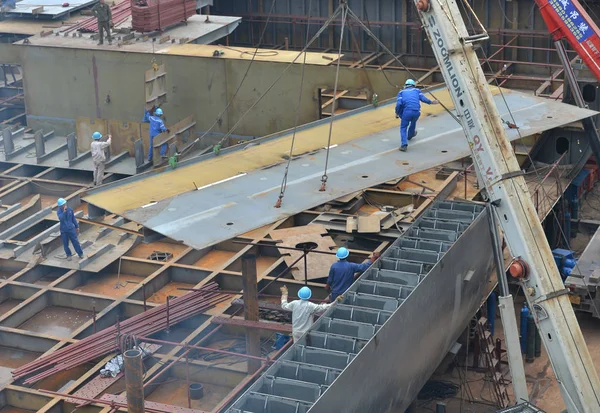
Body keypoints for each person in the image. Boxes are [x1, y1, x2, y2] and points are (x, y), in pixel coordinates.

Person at [395, 79, 439, 152]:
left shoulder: (401, 93)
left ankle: (404, 145)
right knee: (413, 123)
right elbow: (423, 99)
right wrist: (432, 102)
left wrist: (397, 112)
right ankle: (410, 135)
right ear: (413, 85)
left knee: (403, 127)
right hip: (416, 112)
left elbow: (399, 104)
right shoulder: (417, 91)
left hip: (407, 112)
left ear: (405, 86)